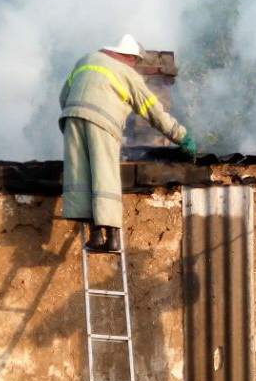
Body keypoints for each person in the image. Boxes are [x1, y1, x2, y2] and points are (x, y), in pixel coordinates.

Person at [59, 34, 198, 252]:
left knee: (80, 173)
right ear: (130, 57)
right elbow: (153, 111)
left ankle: (94, 235)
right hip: (102, 122)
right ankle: (112, 236)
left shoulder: (85, 60)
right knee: (105, 173)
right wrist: (181, 136)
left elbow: (63, 96)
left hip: (71, 118)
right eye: (136, 61)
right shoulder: (127, 73)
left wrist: (78, 114)